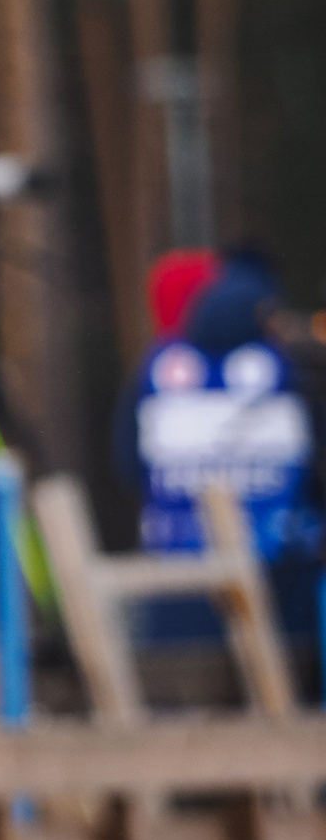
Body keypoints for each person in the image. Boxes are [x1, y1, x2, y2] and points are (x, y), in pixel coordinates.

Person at [113, 244, 319, 655]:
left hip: (176, 584)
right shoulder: (292, 368)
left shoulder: (155, 373)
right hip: (287, 579)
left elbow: (126, 464)